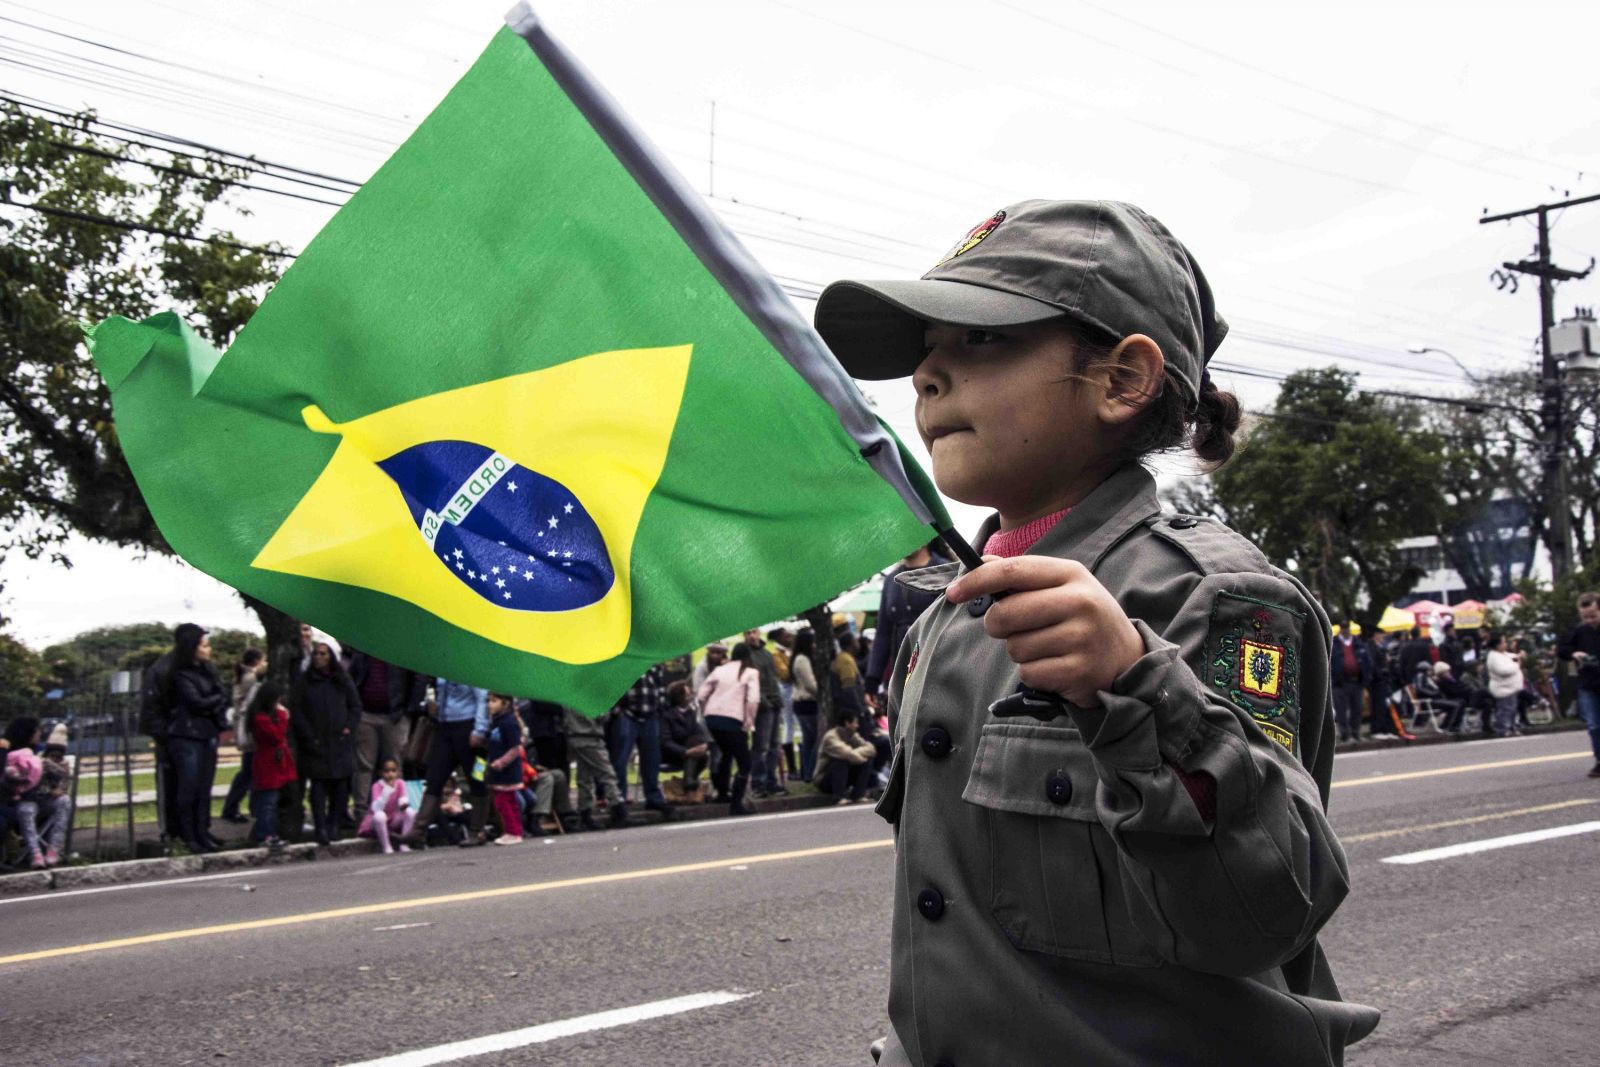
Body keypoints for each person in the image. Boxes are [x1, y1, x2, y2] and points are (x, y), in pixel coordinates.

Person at [813, 198, 1375, 1064]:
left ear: (1122, 378)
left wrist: (1140, 684)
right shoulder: (945, 618)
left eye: (982, 339)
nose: (927, 375)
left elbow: (1267, 909)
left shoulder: (1215, 596)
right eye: (926, 348)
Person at [290, 632, 363, 846]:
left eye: (323, 654)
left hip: (339, 741)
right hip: (316, 742)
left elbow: (355, 705)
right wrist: (308, 735)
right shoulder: (305, 682)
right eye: (316, 654)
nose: (318, 657)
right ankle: (320, 826)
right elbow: (298, 710)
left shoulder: (342, 680)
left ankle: (334, 824)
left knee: (340, 786)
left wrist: (349, 727)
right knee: (319, 787)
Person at [402, 677, 492, 848]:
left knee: (477, 778)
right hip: (445, 727)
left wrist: (480, 729)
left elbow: (482, 698)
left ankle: (477, 831)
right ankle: (418, 830)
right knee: (435, 777)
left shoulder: (472, 667)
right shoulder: (443, 669)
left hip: (469, 725)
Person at [167, 623, 230, 854]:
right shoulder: (180, 674)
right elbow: (197, 703)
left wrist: (214, 700)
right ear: (193, 648)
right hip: (188, 735)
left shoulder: (208, 671)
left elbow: (219, 697)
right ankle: (189, 835)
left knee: (204, 787)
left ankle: (203, 831)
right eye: (204, 645)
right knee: (188, 788)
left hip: (207, 733)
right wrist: (216, 699)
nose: (209, 649)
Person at [346, 648, 427, 824]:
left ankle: (397, 813)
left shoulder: (400, 648)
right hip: (366, 714)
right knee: (363, 765)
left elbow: (419, 677)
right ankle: (361, 812)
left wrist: (409, 710)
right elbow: (352, 677)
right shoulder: (363, 648)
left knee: (394, 764)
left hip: (395, 715)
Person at [607, 664, 677, 822]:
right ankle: (619, 801)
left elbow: (659, 687)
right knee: (620, 760)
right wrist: (617, 710)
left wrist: (660, 709)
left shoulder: (653, 662)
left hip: (650, 715)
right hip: (627, 713)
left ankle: (654, 798)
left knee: (652, 759)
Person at [698, 642, 760, 816]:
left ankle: (722, 791)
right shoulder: (751, 672)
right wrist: (749, 722)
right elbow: (753, 699)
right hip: (732, 719)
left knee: (726, 754)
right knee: (744, 762)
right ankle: (736, 803)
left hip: (712, 718)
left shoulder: (720, 670)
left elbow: (702, 694)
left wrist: (706, 712)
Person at [245, 682, 294, 851]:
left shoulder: (263, 716)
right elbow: (277, 736)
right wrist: (282, 716)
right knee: (268, 801)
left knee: (271, 801)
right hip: (268, 763)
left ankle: (269, 832)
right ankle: (264, 834)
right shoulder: (261, 718)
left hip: (273, 762)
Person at [220, 647, 265, 825]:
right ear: (256, 662)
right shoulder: (251, 679)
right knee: (248, 772)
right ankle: (233, 807)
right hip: (249, 731)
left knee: (249, 771)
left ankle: (239, 806)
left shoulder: (243, 678)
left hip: (244, 729)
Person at [1556, 591, 1600, 777]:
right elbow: (1562, 649)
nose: (1589, 620)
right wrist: (1574, 654)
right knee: (1594, 725)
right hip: (1588, 683)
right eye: (1585, 617)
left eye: (1593, 615)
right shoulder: (1579, 631)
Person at [563, 704, 626, 832]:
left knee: (584, 778)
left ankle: (585, 814)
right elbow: (600, 715)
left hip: (576, 736)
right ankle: (617, 808)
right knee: (607, 773)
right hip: (590, 737)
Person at [743, 629, 785, 797]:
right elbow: (749, 682)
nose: (751, 636)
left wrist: (778, 699)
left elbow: (773, 679)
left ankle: (771, 780)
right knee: (761, 746)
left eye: (753, 632)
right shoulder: (746, 656)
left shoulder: (767, 654)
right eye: (747, 633)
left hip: (774, 701)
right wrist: (763, 701)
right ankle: (758, 782)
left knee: (774, 745)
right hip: (761, 705)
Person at [484, 692, 527, 845]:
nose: (490, 704)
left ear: (505, 703)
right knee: (509, 801)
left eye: (494, 701)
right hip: (498, 770)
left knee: (503, 802)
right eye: (488, 701)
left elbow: (515, 747)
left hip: (507, 770)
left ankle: (512, 831)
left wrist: (501, 762)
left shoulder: (508, 722)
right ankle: (515, 831)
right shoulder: (495, 722)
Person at [660, 680, 711, 800]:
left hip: (690, 750)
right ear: (680, 698)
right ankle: (689, 783)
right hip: (672, 753)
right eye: (688, 695)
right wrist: (686, 752)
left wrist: (703, 745)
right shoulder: (666, 716)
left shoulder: (690, 713)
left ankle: (688, 781)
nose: (690, 698)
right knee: (694, 746)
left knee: (699, 748)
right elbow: (665, 742)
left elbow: (698, 732)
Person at [813, 709, 877, 804]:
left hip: (844, 775)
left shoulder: (852, 735)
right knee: (841, 761)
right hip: (824, 780)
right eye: (855, 723)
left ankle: (858, 795)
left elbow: (871, 748)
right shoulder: (830, 737)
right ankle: (839, 797)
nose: (857, 726)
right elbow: (846, 753)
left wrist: (857, 754)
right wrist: (859, 757)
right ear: (847, 723)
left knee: (867, 760)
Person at [356, 757, 414, 854]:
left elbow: (402, 799)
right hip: (378, 821)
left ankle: (404, 844)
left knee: (410, 812)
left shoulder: (400, 783)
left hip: (393, 819)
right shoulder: (377, 786)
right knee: (380, 816)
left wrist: (404, 804)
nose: (390, 774)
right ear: (380, 773)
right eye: (386, 771)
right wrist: (387, 790)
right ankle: (386, 846)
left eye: (393, 771)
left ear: (398, 772)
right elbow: (376, 808)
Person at [1330, 623, 1372, 743]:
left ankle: (1356, 732)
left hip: (1357, 681)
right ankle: (1345, 734)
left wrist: (1365, 679)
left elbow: (1367, 662)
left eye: (1347, 628)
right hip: (1340, 683)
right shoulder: (1334, 644)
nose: (1345, 631)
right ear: (1340, 629)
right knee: (1341, 710)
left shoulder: (1358, 643)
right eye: (1343, 629)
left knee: (1357, 708)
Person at [790, 628, 822, 781]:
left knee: (808, 740)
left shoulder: (799, 658)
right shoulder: (802, 659)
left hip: (802, 703)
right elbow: (810, 684)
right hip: (807, 703)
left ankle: (806, 772)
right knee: (816, 739)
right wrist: (823, 694)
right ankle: (810, 772)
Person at [1485, 633, 1525, 738]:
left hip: (1511, 688)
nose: (1505, 644)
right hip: (1503, 689)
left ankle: (1512, 727)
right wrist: (1517, 664)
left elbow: (1512, 656)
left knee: (1512, 709)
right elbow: (1503, 671)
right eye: (1503, 642)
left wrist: (1518, 656)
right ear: (1497, 645)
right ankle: (1503, 729)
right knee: (1505, 710)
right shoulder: (1493, 657)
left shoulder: (1503, 654)